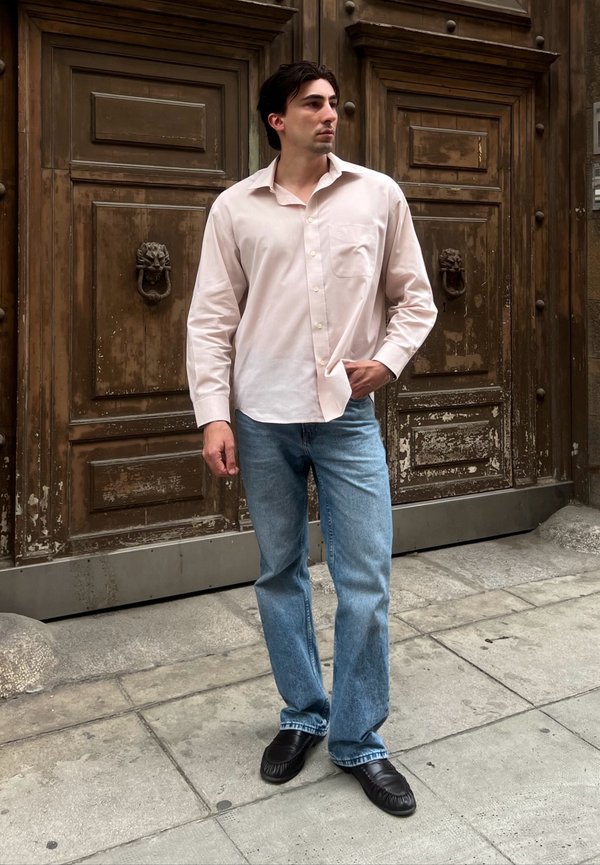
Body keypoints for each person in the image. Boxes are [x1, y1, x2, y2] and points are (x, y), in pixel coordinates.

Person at [187, 61, 437, 817]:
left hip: (347, 418)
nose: (330, 115)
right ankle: (303, 713)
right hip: (262, 416)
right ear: (276, 119)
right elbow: (210, 318)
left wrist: (386, 361)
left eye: (334, 103)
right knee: (279, 572)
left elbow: (415, 299)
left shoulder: (378, 195)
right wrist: (213, 414)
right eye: (312, 104)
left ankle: (359, 739)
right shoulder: (236, 208)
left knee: (366, 582)